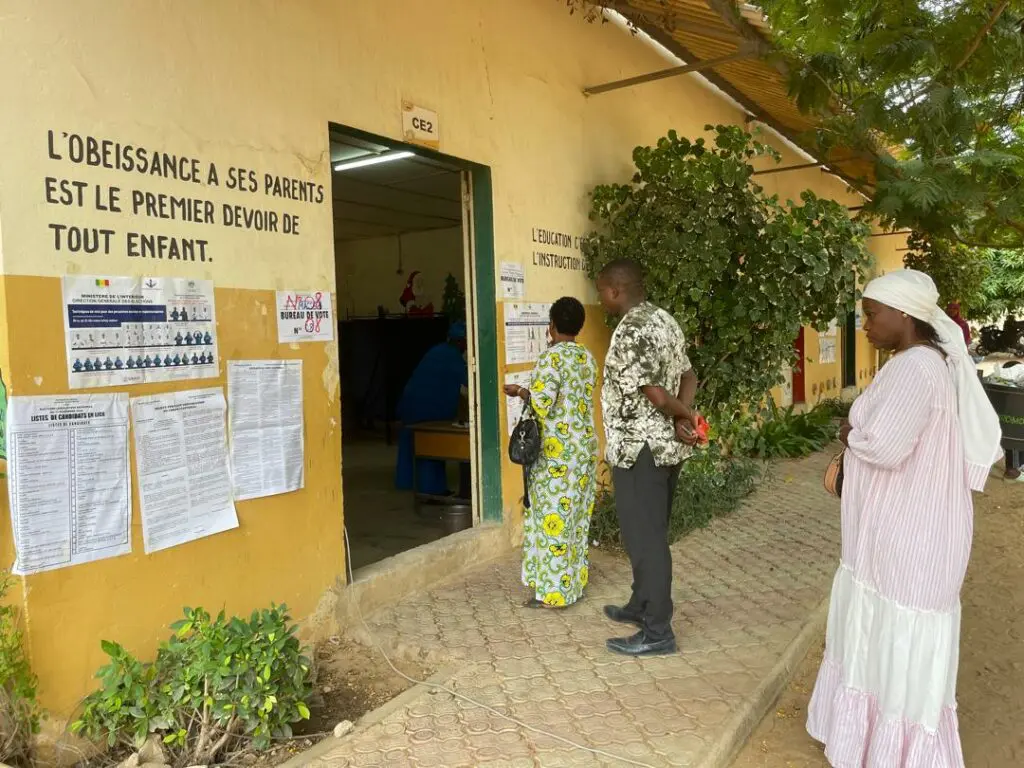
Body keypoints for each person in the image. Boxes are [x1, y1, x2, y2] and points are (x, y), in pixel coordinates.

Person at [807, 269, 1002, 767]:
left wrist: (849, 440)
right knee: (886, 640)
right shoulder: (918, 363)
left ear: (904, 315)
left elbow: (886, 445)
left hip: (912, 539)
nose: (866, 325)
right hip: (901, 534)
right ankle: (874, 744)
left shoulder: (916, 368)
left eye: (872, 315)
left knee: (899, 640)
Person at [595, 260, 702, 657]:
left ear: (615, 291)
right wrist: (681, 416)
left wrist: (681, 415)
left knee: (646, 542)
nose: (600, 298)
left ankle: (658, 631)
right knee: (646, 535)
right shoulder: (664, 320)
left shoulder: (632, 329)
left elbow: (655, 393)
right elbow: (688, 375)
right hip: (663, 450)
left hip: (640, 451)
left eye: (601, 291)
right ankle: (640, 605)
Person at [504, 297, 598, 608]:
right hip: (584, 448)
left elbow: (542, 403)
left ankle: (553, 595)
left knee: (552, 519)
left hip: (558, 454)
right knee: (576, 519)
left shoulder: (552, 359)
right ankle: (574, 585)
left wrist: (520, 391)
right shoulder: (587, 357)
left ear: (552, 326)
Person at [394, 322, 468, 496]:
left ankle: (407, 483)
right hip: (428, 409)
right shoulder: (453, 356)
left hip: (410, 404)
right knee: (432, 447)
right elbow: (468, 382)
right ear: (460, 341)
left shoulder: (436, 350)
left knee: (412, 445)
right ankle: (432, 491)